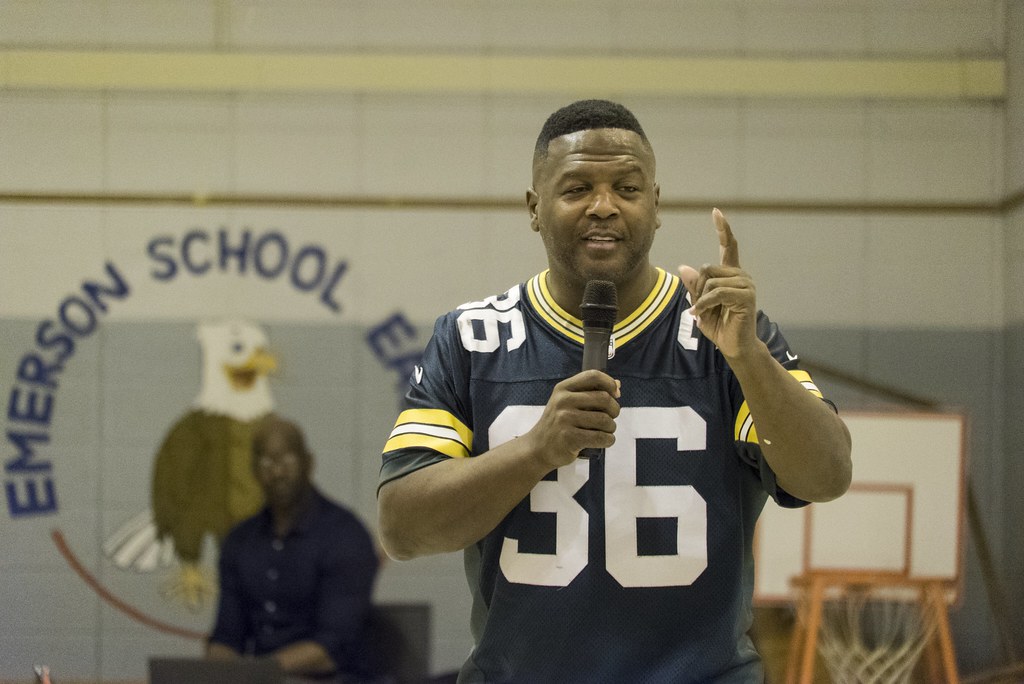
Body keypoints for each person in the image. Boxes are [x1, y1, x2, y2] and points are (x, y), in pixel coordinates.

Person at [376, 99, 853, 683]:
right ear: (534, 207)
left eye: (627, 188)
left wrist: (748, 356)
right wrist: (536, 450)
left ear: (655, 206)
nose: (604, 207)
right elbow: (401, 528)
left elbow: (827, 476)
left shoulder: (726, 333)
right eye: (577, 188)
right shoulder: (471, 339)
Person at [207, 414, 381, 682]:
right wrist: (214, 674)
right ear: (254, 470)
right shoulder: (239, 540)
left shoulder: (345, 535)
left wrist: (251, 674)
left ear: (308, 463)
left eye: (287, 460)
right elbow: (227, 636)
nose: (277, 472)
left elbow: (330, 649)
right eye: (266, 461)